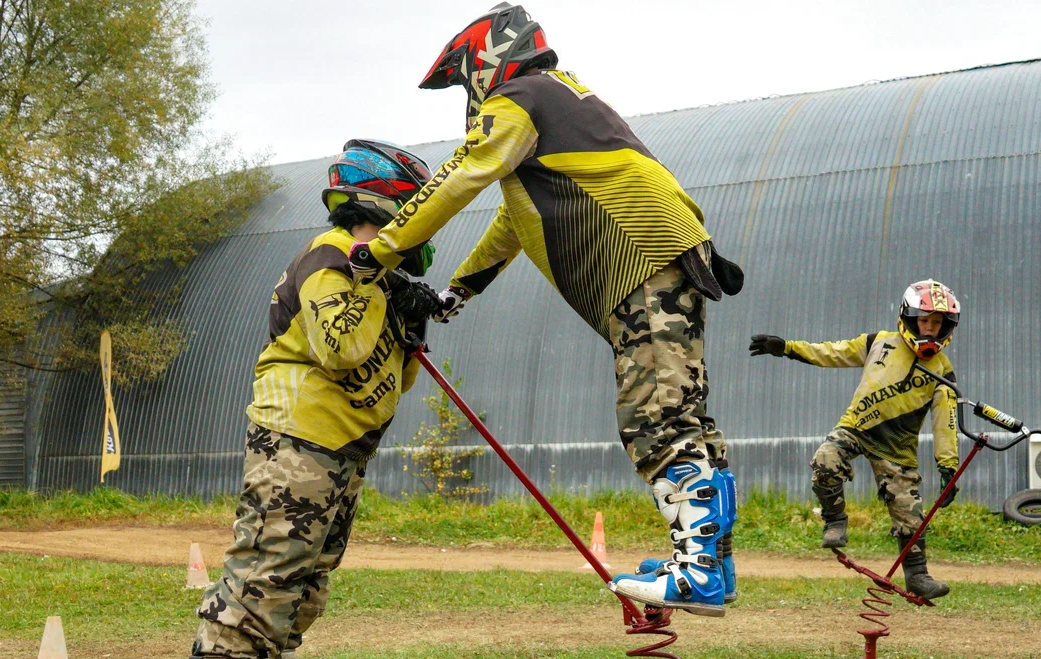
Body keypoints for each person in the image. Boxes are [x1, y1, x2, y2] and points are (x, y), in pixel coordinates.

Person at [346, 3, 744, 616]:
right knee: (683, 413)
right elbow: (513, 220)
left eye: (463, 79)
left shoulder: (521, 98)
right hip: (667, 259)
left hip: (640, 262)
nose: (468, 95)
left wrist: (383, 247)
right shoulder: (562, 105)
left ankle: (698, 571)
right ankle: (709, 559)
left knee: (655, 419)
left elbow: (462, 174)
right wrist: (461, 289)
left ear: (483, 62)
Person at [173, 140, 442, 659]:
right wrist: (382, 289)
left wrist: (408, 325)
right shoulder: (331, 259)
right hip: (297, 440)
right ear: (388, 203)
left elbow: (390, 376)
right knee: (257, 589)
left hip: (341, 449)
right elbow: (342, 350)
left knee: (302, 593)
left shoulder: (370, 280)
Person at [749, 279, 961, 600]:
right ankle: (835, 522)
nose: (930, 329)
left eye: (936, 323)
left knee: (909, 513)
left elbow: (945, 422)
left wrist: (949, 467)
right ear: (908, 317)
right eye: (924, 321)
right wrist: (788, 348)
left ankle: (917, 575)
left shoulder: (942, 370)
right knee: (825, 460)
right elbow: (832, 352)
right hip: (856, 428)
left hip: (897, 448)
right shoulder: (878, 342)